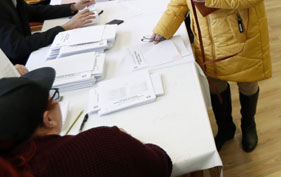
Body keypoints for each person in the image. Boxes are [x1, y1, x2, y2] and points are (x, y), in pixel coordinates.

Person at [150, 0, 271, 153]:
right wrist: (163, 29)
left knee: (247, 83)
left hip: (241, 36)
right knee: (217, 85)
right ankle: (226, 127)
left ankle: (249, 124)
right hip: (205, 38)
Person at [0, 67, 173, 177]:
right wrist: (126, 140)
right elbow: (161, 165)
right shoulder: (102, 143)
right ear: (49, 120)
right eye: (53, 99)